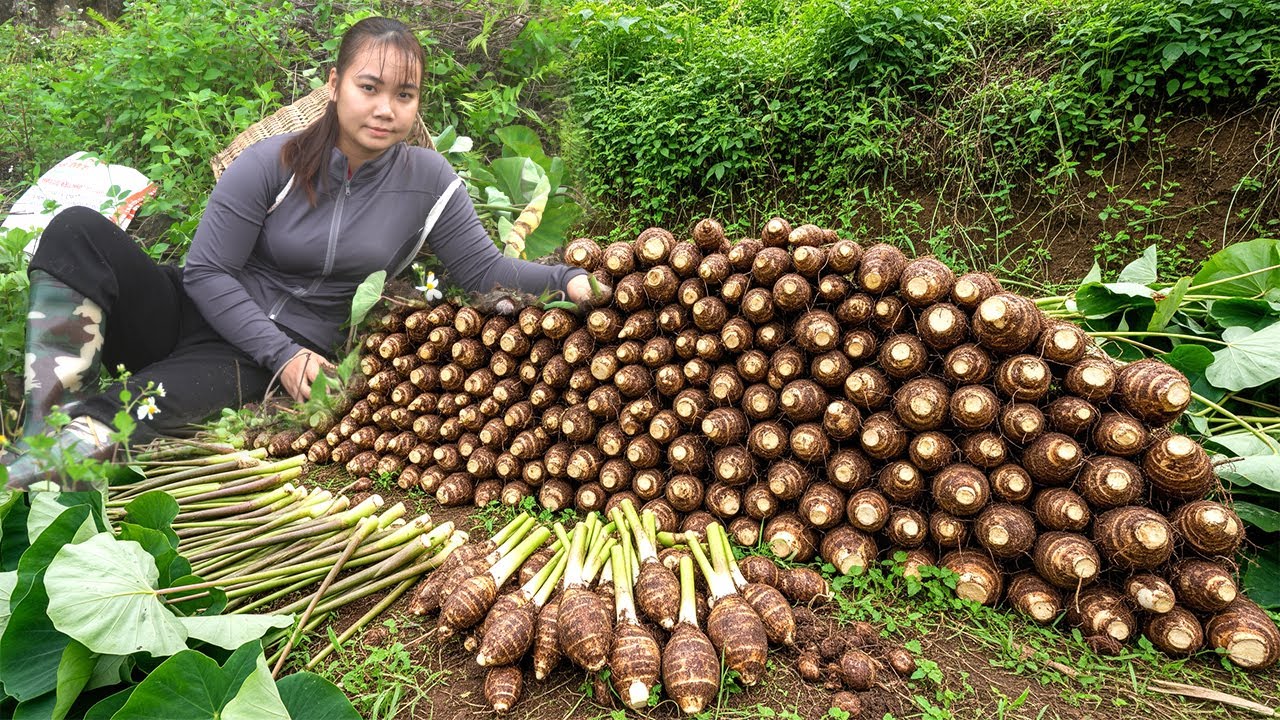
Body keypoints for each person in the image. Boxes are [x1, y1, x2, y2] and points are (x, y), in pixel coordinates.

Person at [4, 16, 602, 490]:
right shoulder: (275, 162)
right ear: (337, 85)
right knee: (78, 229)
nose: (385, 109)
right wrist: (282, 352)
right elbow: (208, 271)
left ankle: (43, 469)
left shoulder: (429, 181)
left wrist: (571, 279)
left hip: (250, 361)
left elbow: (485, 272)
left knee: (134, 409)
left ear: (418, 104)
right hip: (199, 313)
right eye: (369, 88)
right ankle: (44, 421)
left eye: (405, 94)